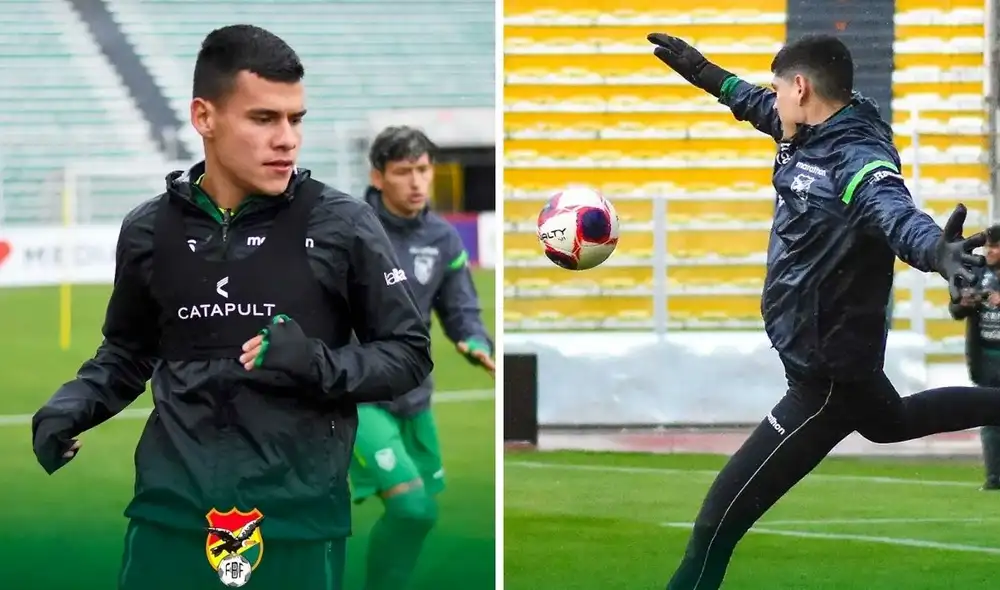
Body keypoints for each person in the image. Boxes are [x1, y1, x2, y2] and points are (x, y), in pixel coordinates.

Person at [30, 25, 433, 590]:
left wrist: (318, 363)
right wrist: (73, 404)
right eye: (264, 118)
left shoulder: (342, 225)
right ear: (205, 117)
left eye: (296, 119)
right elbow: (127, 351)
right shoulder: (149, 230)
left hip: (296, 525)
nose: (287, 139)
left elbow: (409, 354)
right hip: (170, 518)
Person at [646, 32, 998, 590]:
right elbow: (756, 103)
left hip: (825, 375)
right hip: (832, 355)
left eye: (779, 87)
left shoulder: (857, 157)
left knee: (715, 526)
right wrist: (703, 71)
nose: (773, 98)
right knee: (889, 421)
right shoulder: (809, 127)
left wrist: (937, 252)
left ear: (802, 87)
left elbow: (894, 212)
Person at [351, 125, 495, 590]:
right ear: (378, 177)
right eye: (403, 172)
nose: (416, 182)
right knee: (413, 507)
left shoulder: (443, 238)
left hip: (414, 398)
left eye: (423, 170)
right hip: (356, 396)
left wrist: (476, 342)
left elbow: (461, 309)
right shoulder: (350, 230)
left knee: (418, 516)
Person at [949, 224, 1000, 490]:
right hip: (987, 358)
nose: (989, 251)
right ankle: (994, 479)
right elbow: (955, 310)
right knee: (991, 418)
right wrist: (964, 303)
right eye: (988, 246)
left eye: (995, 246)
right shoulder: (977, 273)